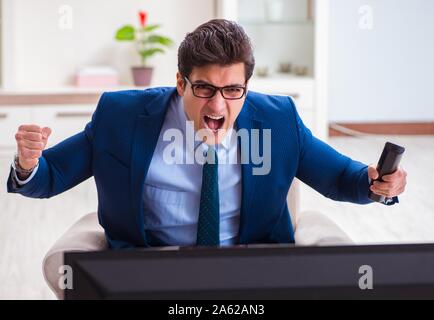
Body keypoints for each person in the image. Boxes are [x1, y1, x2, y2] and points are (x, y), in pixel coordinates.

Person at [7, 19, 407, 249]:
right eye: (204, 89)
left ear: (246, 87)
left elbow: (342, 178)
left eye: (233, 91)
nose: (218, 107)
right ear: (181, 82)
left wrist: (379, 183)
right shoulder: (121, 115)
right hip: (149, 271)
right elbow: (51, 175)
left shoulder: (278, 118)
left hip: (250, 269)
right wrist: (28, 163)